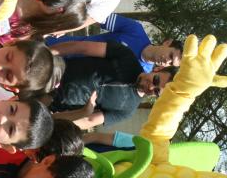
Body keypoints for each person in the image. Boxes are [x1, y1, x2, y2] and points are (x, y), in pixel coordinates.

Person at [48, 41, 176, 129]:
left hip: (49, 102)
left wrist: (50, 121)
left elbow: (88, 121)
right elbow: (82, 47)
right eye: (156, 80)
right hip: (49, 71)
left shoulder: (128, 110)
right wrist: (47, 53)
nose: (151, 87)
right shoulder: (127, 56)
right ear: (157, 70)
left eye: (157, 92)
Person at [47, 14, 182, 73]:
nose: (166, 61)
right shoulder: (136, 30)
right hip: (58, 46)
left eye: (170, 64)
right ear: (167, 42)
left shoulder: (141, 74)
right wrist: (64, 26)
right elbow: (98, 16)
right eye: (171, 56)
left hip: (63, 73)